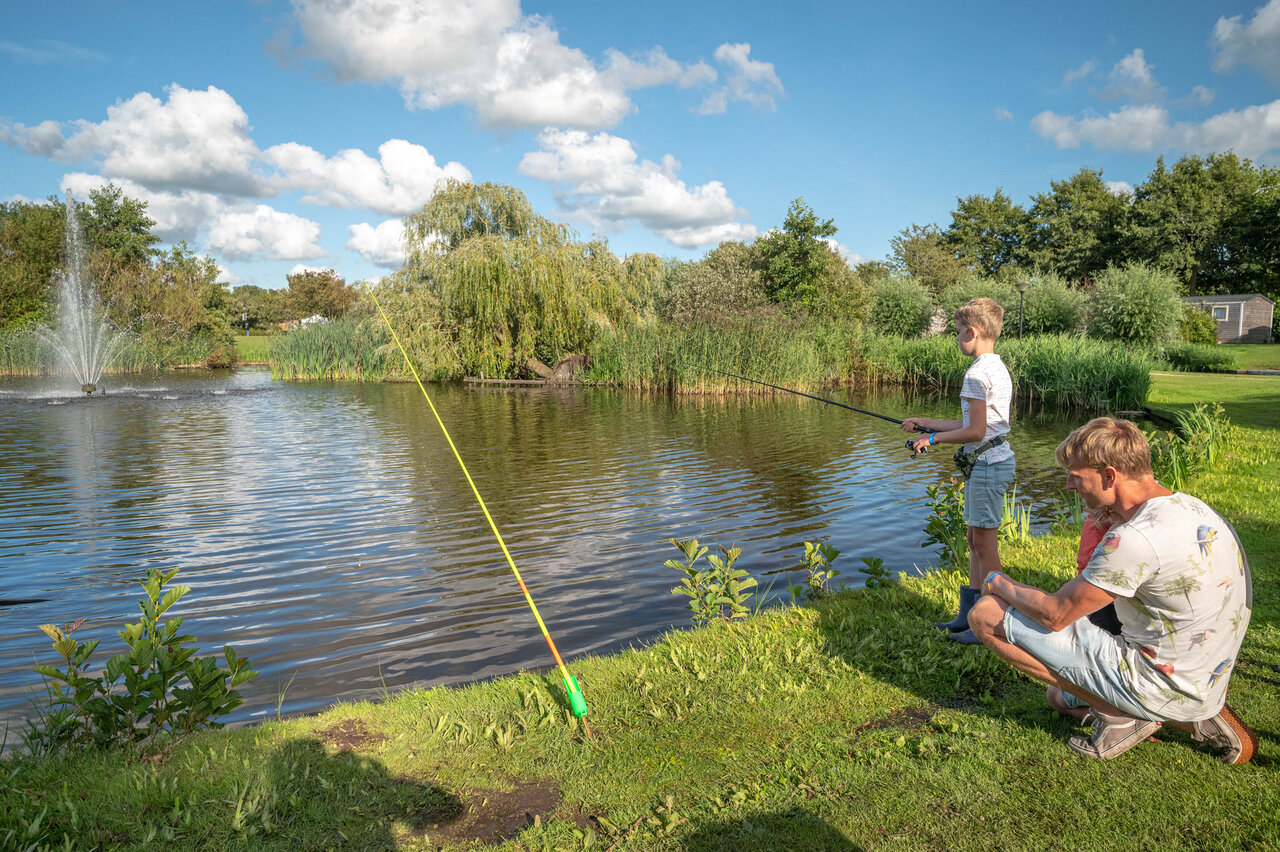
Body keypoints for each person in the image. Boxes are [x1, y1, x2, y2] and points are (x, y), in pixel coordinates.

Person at [968, 417, 1256, 763]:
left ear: (1109, 475)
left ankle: (1127, 716)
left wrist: (996, 581)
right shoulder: (1193, 508)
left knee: (985, 614)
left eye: (1075, 476)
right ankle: (1196, 714)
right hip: (1206, 679)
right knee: (1058, 699)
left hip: (1157, 679)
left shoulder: (1134, 538)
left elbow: (1055, 613)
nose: (1069, 485)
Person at [902, 297, 1015, 644]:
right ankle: (968, 617)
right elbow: (970, 423)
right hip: (991, 463)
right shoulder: (996, 367)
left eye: (958, 332)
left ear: (973, 331)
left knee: (985, 545)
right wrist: (926, 423)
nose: (956, 339)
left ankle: (990, 623)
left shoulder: (976, 374)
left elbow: (975, 433)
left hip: (988, 465)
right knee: (974, 540)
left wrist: (932, 440)